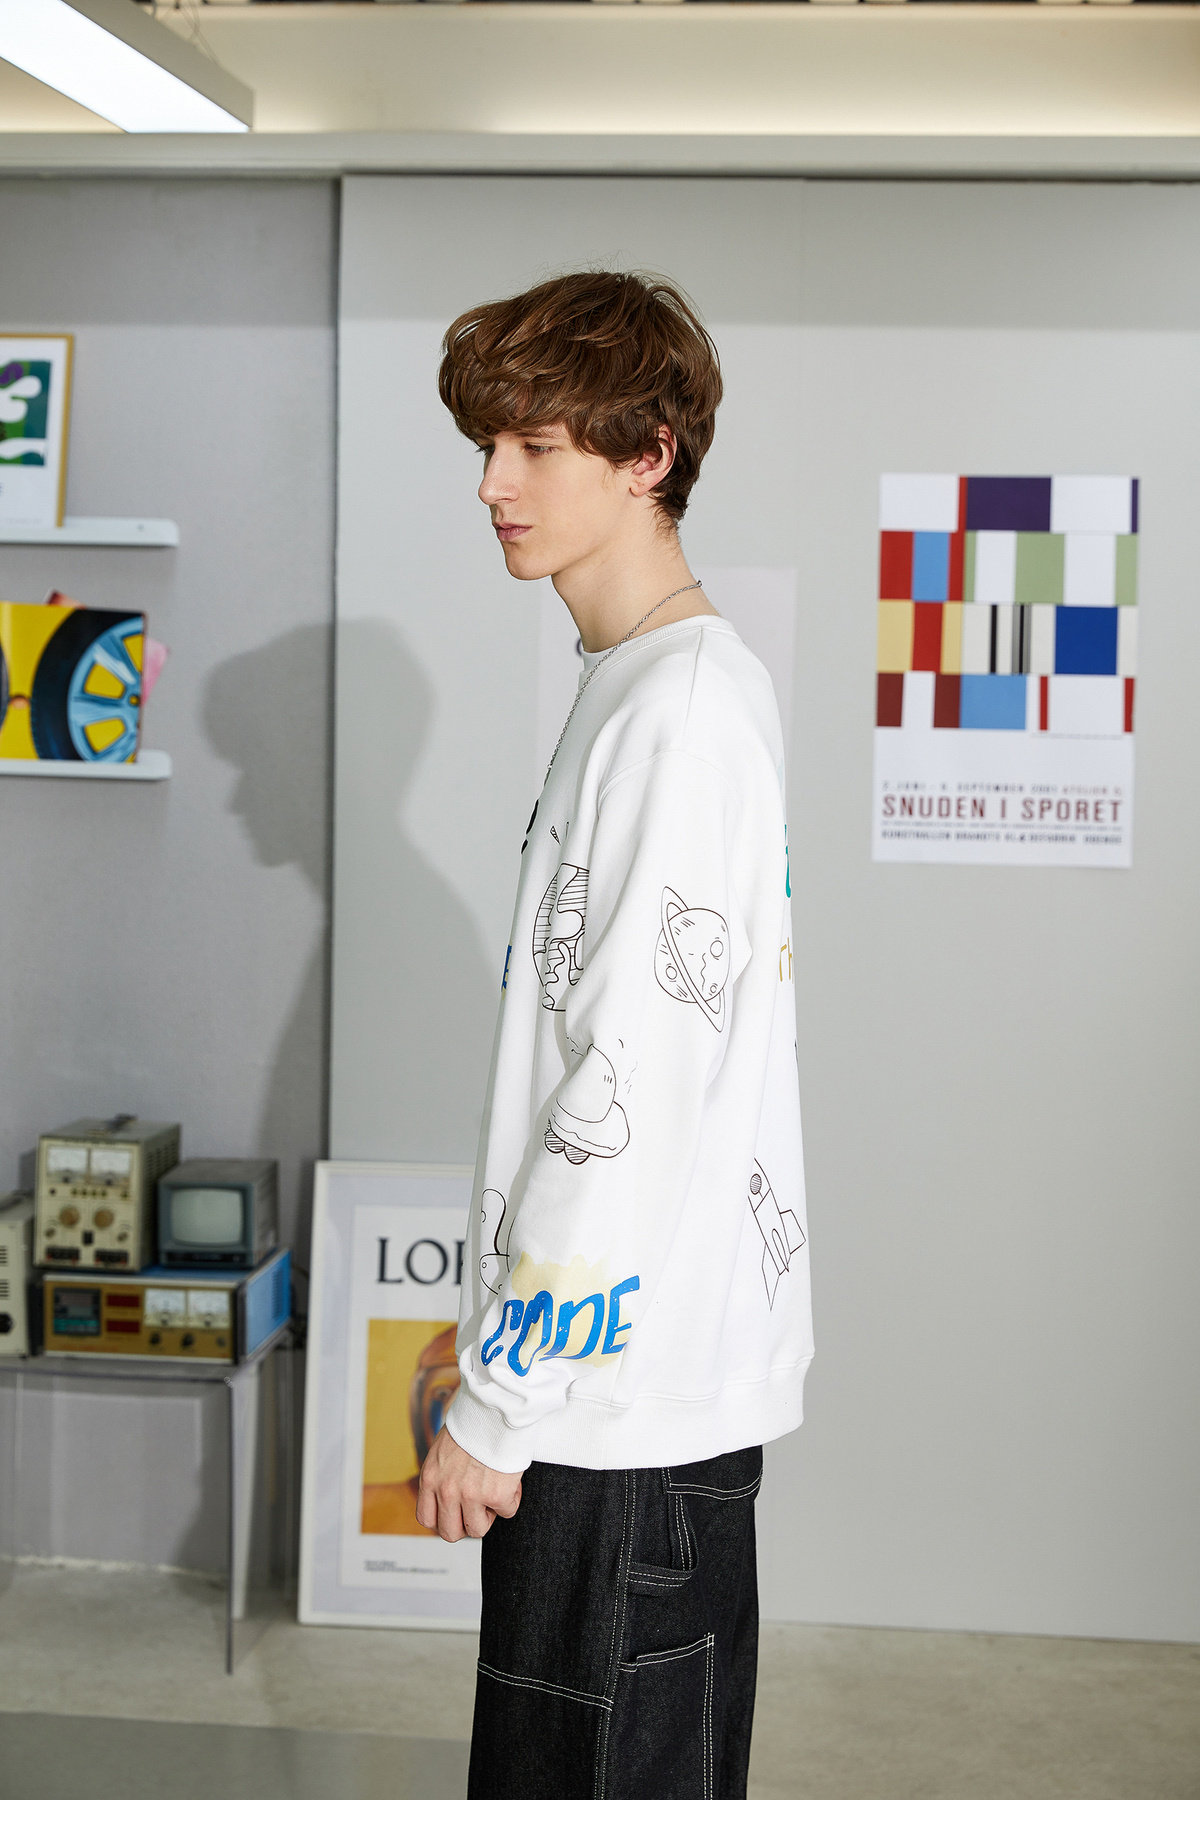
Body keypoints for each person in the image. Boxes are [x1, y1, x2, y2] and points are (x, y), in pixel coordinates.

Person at [416, 269, 813, 1801]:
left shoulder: (679, 712)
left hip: (616, 1432)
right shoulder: (642, 684)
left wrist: (501, 1396)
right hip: (617, 1405)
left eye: (535, 446)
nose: (492, 483)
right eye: (488, 445)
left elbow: (626, 1091)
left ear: (650, 455)